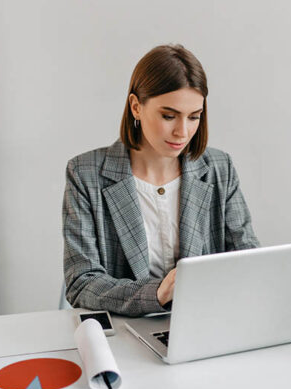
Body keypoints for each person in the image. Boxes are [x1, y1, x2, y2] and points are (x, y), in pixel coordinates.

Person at [62, 44, 259, 317]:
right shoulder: (85, 174)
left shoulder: (219, 168)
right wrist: (157, 293)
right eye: (169, 116)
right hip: (127, 330)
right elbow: (81, 283)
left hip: (207, 323)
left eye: (194, 117)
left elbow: (247, 258)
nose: (182, 131)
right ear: (136, 107)